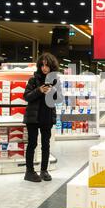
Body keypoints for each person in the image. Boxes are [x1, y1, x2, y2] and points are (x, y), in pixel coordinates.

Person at [23, 53, 63, 182]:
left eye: (47, 66)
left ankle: (44, 170)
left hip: (47, 116)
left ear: (52, 67)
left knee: (46, 145)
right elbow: (27, 96)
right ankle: (29, 172)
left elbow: (60, 99)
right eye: (42, 65)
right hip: (33, 117)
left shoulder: (55, 81)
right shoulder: (33, 80)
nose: (44, 68)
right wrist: (39, 90)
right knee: (32, 143)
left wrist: (52, 92)